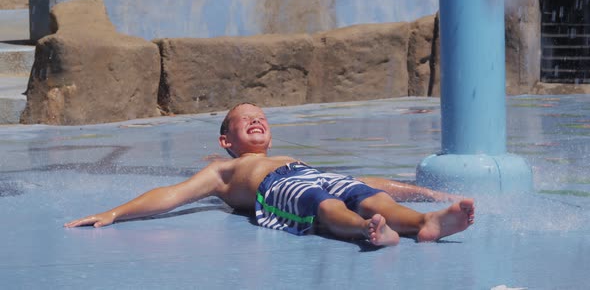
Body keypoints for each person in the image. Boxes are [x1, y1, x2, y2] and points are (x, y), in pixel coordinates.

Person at [65, 103, 475, 246]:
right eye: (246, 120)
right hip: (277, 189)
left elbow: (367, 179)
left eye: (261, 118)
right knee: (322, 204)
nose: (256, 121)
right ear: (227, 139)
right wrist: (115, 213)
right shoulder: (225, 170)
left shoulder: (291, 156)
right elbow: (171, 194)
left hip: (308, 173)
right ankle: (367, 230)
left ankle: (425, 224)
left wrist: (420, 192)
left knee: (365, 192)